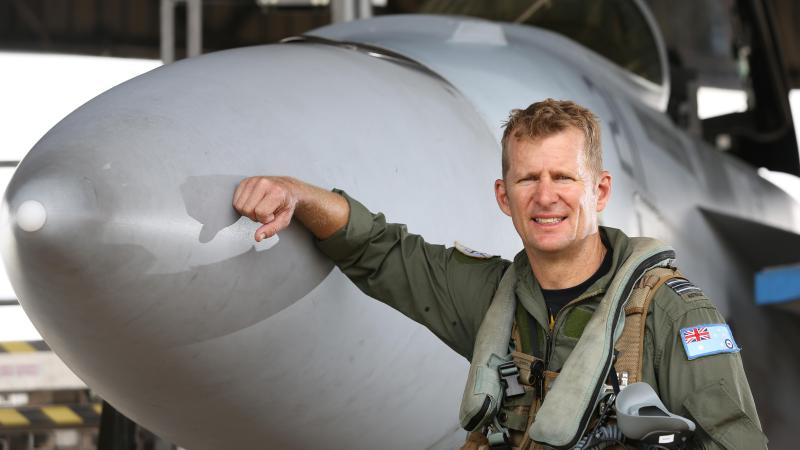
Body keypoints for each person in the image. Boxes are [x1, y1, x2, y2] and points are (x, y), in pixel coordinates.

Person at [232, 99, 766, 449]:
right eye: (528, 179)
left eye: (563, 177)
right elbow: (380, 250)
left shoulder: (671, 314)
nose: (545, 197)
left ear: (600, 190)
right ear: (503, 196)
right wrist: (297, 195)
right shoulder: (492, 299)